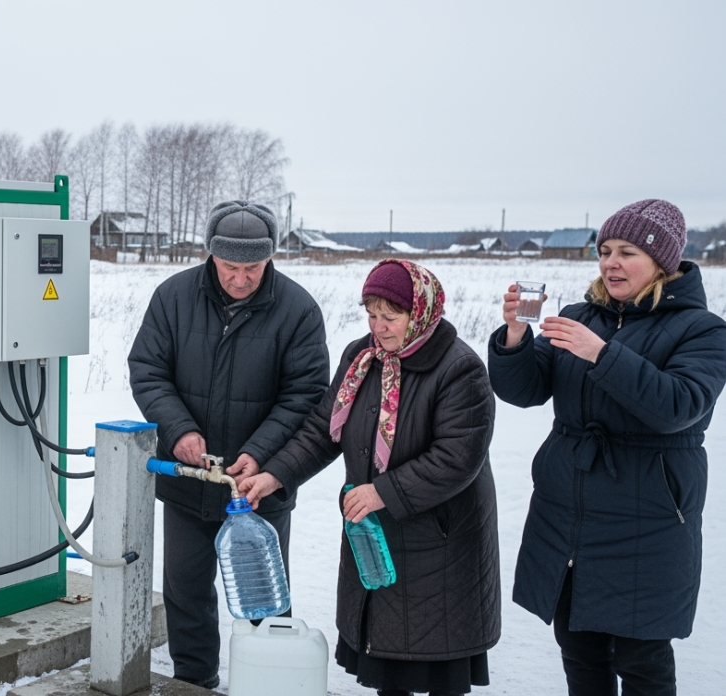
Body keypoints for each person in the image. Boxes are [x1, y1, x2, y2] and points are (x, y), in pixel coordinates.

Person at [488, 199, 726, 696]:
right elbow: (525, 390)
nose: (611, 263)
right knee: (578, 647)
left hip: (648, 519)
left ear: (663, 261)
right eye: (605, 251)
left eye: (628, 252)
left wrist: (602, 354)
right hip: (568, 513)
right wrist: (515, 338)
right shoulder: (581, 316)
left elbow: (679, 405)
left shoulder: (701, 329)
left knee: (642, 660)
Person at [241, 259, 501, 696]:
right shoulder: (363, 358)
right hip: (377, 533)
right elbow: (323, 429)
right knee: (388, 662)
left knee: (438, 665)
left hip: (441, 541)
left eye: (391, 316)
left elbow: (457, 457)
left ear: (421, 312)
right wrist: (275, 475)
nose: (378, 327)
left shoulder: (460, 369)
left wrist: (383, 491)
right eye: (371, 314)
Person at [128, 200, 330, 689]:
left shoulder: (298, 310)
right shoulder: (172, 297)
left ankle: (269, 680)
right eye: (230, 267)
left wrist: (259, 452)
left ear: (270, 259)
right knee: (186, 592)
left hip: (260, 485)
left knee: (263, 595)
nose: (241, 279)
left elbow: (304, 395)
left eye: (253, 268)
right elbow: (148, 370)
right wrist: (179, 431)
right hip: (188, 484)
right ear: (210, 255)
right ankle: (194, 681)